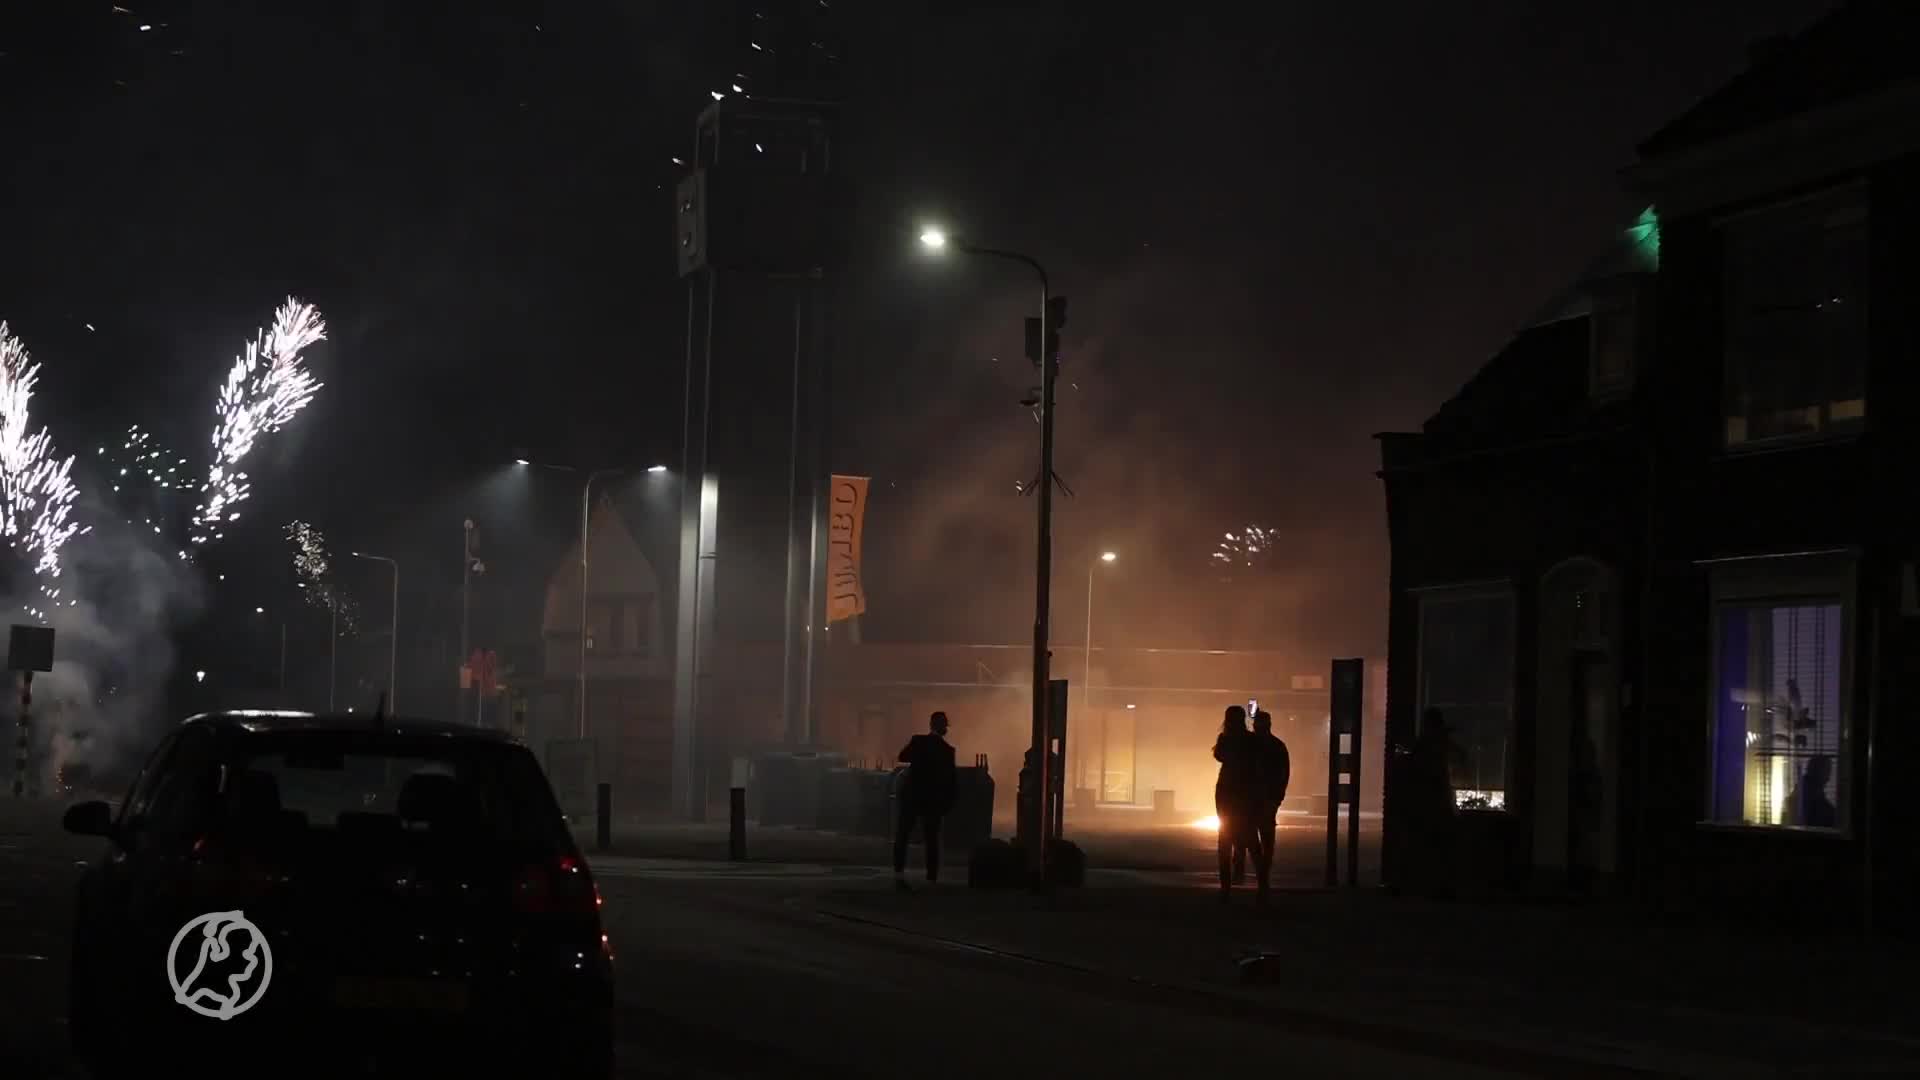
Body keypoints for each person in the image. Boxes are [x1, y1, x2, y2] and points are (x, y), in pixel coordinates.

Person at [894, 711, 958, 890]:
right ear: (945, 727)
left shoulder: (918, 741)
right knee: (932, 838)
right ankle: (931, 877)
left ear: (931, 724)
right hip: (933, 800)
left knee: (903, 834)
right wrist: (947, 804)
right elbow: (951, 781)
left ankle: (899, 873)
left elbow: (902, 757)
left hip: (912, 796)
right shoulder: (947, 751)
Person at [1236, 710, 1288, 901]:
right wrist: (1277, 798)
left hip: (1252, 801)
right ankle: (1263, 877)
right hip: (1266, 801)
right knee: (1266, 841)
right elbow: (1283, 774)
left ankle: (1257, 875)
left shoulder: (1250, 746)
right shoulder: (1277, 746)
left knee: (1252, 841)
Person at [1211, 706, 1258, 901]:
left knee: (1225, 834)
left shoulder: (1224, 739)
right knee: (1246, 831)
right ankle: (1246, 870)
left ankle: (1225, 885)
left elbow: (1219, 756)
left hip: (1225, 789)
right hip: (1244, 789)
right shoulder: (1250, 740)